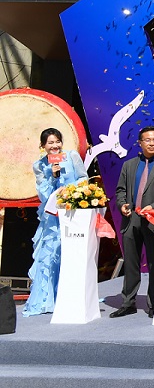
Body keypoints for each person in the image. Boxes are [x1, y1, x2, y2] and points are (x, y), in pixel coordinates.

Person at [112, 126, 154, 318]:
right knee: (131, 263)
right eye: (148, 140)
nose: (152, 143)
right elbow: (120, 190)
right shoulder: (129, 165)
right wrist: (122, 205)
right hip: (131, 220)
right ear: (140, 143)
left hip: (153, 221)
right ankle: (128, 302)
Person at [24, 128, 87, 316]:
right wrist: (53, 176)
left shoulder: (72, 156)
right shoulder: (39, 165)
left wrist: (71, 191)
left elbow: (83, 178)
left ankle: (71, 295)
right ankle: (48, 299)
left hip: (72, 212)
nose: (55, 146)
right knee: (51, 254)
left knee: (71, 252)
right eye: (50, 143)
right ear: (43, 146)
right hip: (52, 217)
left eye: (57, 141)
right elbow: (43, 194)